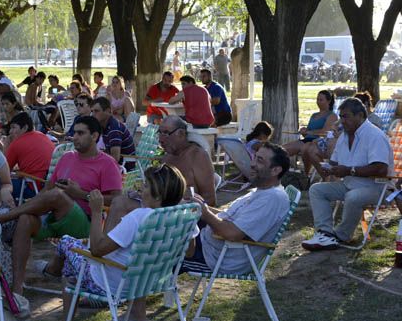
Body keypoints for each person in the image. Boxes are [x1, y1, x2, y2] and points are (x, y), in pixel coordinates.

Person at [46, 164, 195, 321]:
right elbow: (189, 252)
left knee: (66, 242)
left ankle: (52, 275)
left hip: (113, 284)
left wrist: (96, 211)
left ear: (158, 196)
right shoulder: (184, 215)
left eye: (145, 186)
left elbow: (96, 250)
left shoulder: (139, 217)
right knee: (72, 269)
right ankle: (136, 316)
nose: (141, 189)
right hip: (152, 282)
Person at [0, 116, 123, 294]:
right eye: (74, 133)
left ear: (94, 136)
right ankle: (17, 289)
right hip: (53, 217)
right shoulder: (66, 157)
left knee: (58, 195)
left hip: (85, 223)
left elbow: (117, 200)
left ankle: (6, 217)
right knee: (25, 219)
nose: (75, 137)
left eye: (80, 133)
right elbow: (47, 189)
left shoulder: (107, 163)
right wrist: (36, 205)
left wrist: (80, 194)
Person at [182, 143, 291, 276]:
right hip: (209, 244)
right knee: (172, 216)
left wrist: (205, 213)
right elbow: (228, 216)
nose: (252, 164)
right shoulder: (263, 191)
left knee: (162, 248)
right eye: (254, 157)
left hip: (216, 258)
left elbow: (232, 234)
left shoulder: (272, 198)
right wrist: (199, 206)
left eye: (260, 161)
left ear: (275, 170)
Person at [302, 98, 393, 251]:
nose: (342, 121)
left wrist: (349, 170)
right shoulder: (344, 136)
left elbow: (381, 169)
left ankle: (341, 236)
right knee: (317, 189)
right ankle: (325, 233)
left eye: (346, 116)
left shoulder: (375, 135)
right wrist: (327, 167)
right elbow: (335, 162)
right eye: (341, 116)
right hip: (349, 184)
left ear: (360, 116)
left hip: (378, 187)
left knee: (353, 197)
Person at [104, 115, 216, 232]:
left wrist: (183, 200)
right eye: (160, 132)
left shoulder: (197, 156)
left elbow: (210, 199)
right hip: (161, 211)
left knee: (121, 204)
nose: (161, 139)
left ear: (181, 134)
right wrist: (142, 193)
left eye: (166, 133)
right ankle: (113, 240)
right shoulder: (167, 158)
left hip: (183, 218)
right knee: (120, 200)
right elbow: (159, 191)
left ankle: (105, 242)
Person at [282, 90, 338, 173]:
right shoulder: (314, 115)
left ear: (329, 101)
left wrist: (310, 132)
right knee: (282, 150)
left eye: (321, 100)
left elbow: (325, 132)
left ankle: (306, 173)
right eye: (317, 99)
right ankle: (282, 172)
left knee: (305, 148)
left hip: (318, 142)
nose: (318, 102)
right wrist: (304, 131)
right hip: (307, 140)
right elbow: (307, 133)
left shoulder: (332, 115)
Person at [5, 112, 55, 201]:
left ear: (25, 128)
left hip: (34, 187)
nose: (10, 131)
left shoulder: (17, 143)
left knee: (0, 184)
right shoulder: (42, 136)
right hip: (50, 187)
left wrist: (6, 146)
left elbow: (3, 171)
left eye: (13, 127)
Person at [91, 97, 135, 164]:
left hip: (123, 167)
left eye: (96, 111)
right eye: (92, 111)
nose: (93, 114)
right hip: (117, 165)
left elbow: (115, 158)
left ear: (108, 111)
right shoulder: (105, 126)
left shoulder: (114, 128)